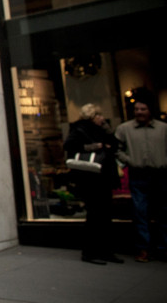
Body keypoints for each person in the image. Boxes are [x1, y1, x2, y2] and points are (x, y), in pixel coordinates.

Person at [63, 104, 123, 265]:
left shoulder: (103, 129)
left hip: (105, 175)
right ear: (92, 116)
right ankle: (90, 252)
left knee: (105, 215)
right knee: (95, 215)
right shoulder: (80, 129)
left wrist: (108, 130)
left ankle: (106, 251)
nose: (102, 118)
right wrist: (96, 146)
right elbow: (69, 146)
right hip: (91, 178)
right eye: (99, 115)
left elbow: (115, 144)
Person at [115, 93, 167, 263]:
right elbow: (116, 149)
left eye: (143, 109)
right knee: (140, 212)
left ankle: (163, 248)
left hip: (160, 174)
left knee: (163, 212)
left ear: (150, 110)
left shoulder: (163, 128)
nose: (139, 112)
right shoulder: (125, 129)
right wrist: (129, 160)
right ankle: (143, 248)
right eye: (136, 109)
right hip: (138, 175)